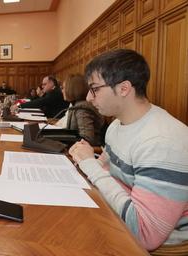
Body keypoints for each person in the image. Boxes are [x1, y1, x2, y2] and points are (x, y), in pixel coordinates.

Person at [68, 49, 188, 251]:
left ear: (124, 89)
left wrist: (89, 164)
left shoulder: (163, 142)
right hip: (115, 216)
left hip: (158, 246)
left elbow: (144, 234)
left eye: (95, 89)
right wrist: (85, 164)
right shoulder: (117, 125)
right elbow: (106, 168)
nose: (89, 97)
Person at [55, 74, 105, 146]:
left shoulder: (82, 108)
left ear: (72, 89)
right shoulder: (77, 104)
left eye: (63, 88)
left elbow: (87, 139)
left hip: (88, 153)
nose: (62, 91)